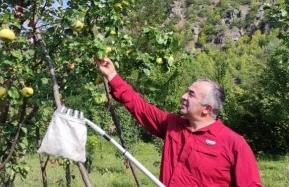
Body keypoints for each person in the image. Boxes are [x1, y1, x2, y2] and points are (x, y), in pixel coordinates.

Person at [95, 57, 262, 187]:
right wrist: (112, 76)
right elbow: (141, 107)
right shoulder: (172, 125)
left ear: (207, 109)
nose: (183, 96)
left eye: (191, 94)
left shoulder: (234, 144)